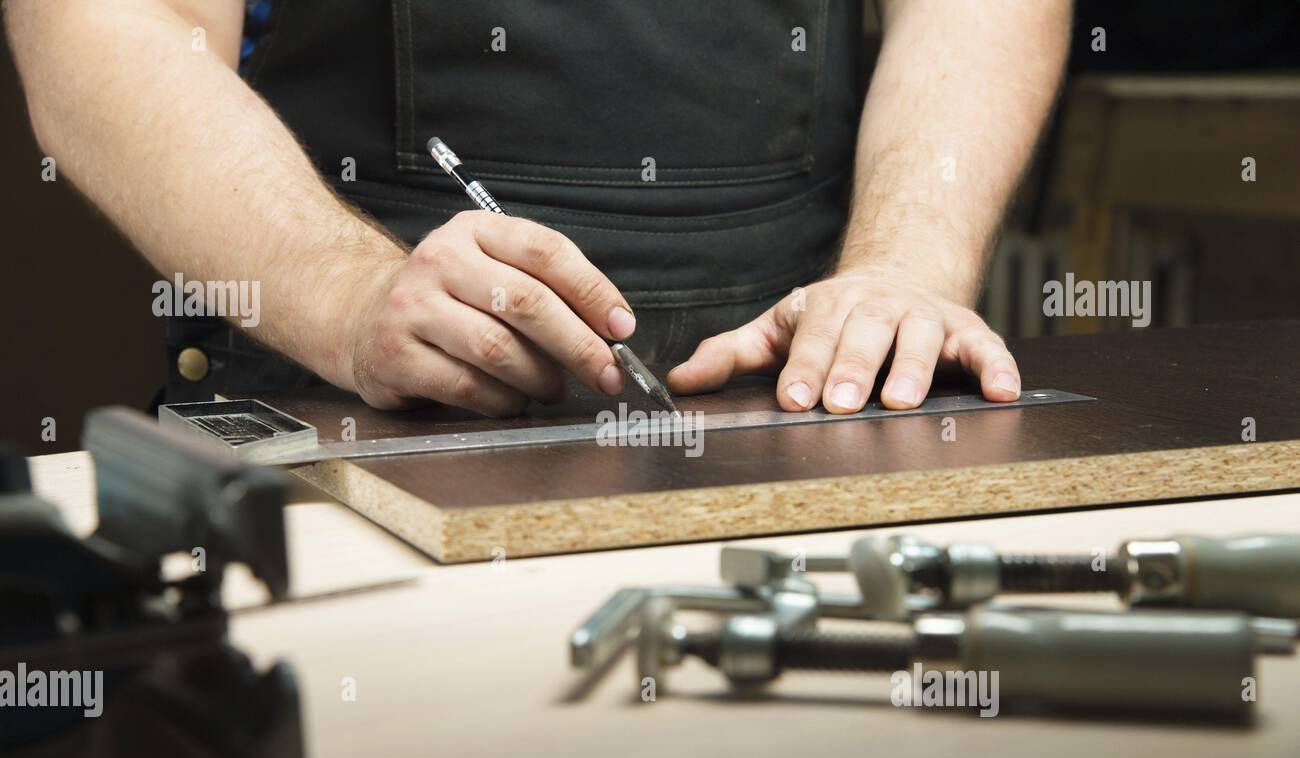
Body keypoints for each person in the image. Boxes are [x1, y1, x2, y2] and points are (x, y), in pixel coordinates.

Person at [7, 0, 1069, 416]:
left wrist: (906, 268)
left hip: (799, 416)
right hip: (349, 426)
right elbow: (111, 22)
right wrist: (342, 292)